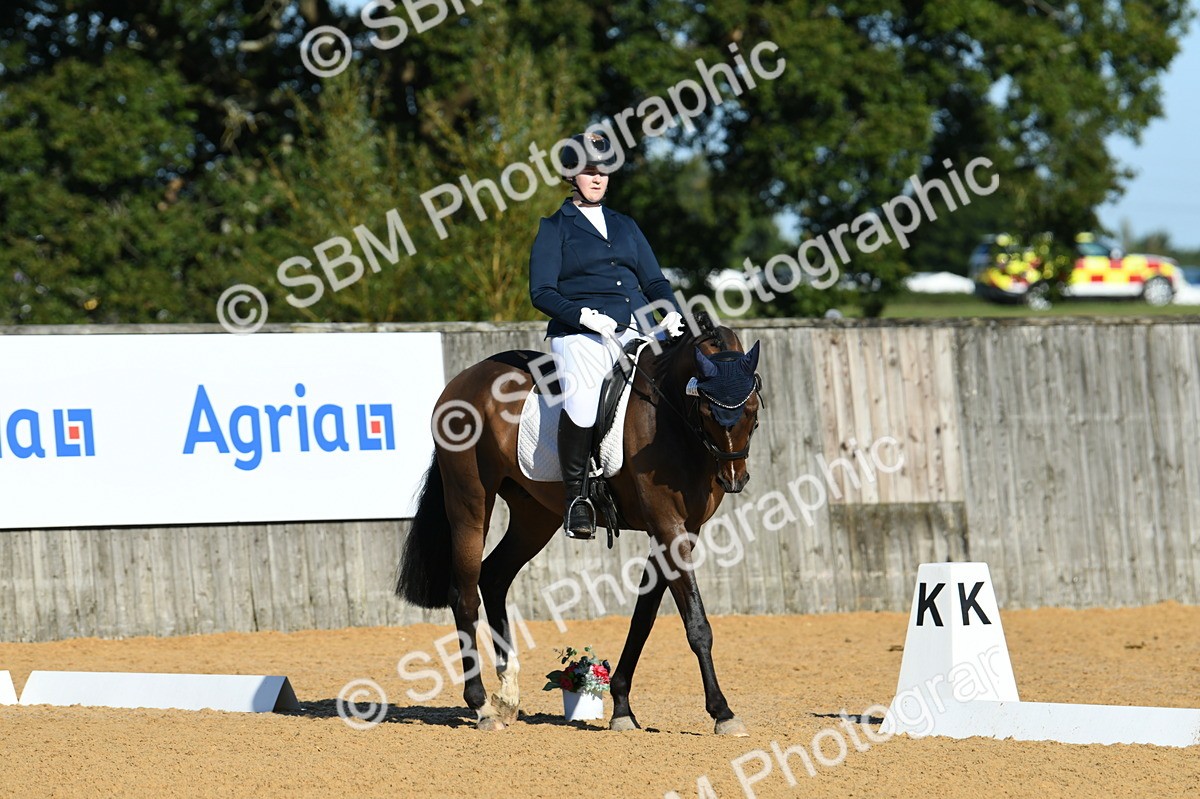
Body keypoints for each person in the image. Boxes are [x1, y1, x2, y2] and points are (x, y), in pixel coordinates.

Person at [528, 131, 684, 540]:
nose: (597, 178)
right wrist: (582, 316)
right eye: (588, 171)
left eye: (604, 172)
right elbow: (541, 291)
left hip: (636, 328)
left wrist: (671, 316)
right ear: (571, 175)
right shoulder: (555, 227)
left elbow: (654, 282)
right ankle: (577, 499)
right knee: (581, 401)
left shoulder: (625, 225)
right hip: (581, 333)